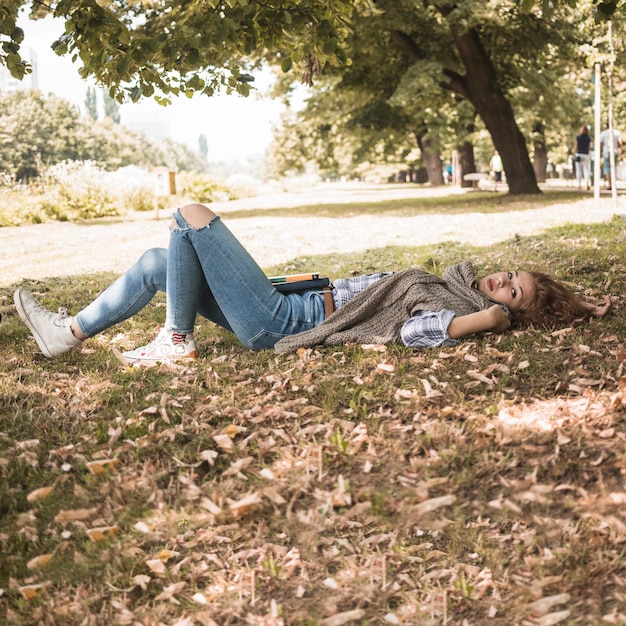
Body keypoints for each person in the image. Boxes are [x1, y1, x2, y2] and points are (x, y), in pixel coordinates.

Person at [13, 203, 612, 365]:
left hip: (285, 320)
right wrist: (585, 306)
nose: (503, 281)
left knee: (190, 215)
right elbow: (542, 302)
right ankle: (67, 333)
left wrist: (486, 320)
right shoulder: (454, 279)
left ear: (509, 313)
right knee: (153, 262)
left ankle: (176, 338)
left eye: (512, 292)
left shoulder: (454, 305)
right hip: (290, 299)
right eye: (512, 276)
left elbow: (416, 331)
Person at [599, 124, 623, 190]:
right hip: (614, 152)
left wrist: (600, 153)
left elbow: (601, 144)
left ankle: (609, 184)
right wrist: (622, 153)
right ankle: (613, 184)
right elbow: (620, 144)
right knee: (613, 168)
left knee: (607, 168)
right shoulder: (617, 133)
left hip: (606, 152)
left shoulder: (603, 133)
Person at [573, 124, 592, 190]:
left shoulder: (578, 137)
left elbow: (576, 146)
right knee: (586, 170)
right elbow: (589, 148)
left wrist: (574, 153)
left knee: (579, 170)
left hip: (579, 155)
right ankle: (587, 183)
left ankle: (579, 185)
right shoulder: (588, 138)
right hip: (586, 155)